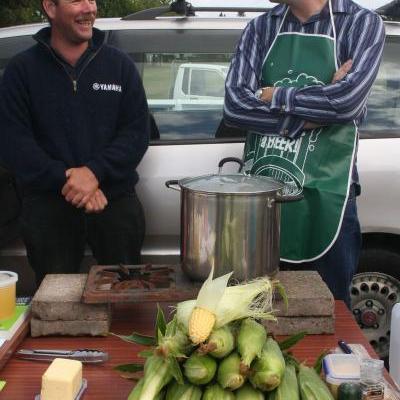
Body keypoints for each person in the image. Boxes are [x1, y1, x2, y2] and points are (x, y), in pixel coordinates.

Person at [224, 0, 385, 307]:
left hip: (329, 195)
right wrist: (320, 103)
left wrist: (271, 94)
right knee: (259, 315)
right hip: (263, 198)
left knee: (329, 313)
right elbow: (234, 107)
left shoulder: (362, 24)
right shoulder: (260, 28)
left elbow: (347, 102)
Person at [0, 0, 150, 286]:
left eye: (91, 0)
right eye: (76, 0)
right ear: (50, 7)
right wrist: (67, 179)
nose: (89, 8)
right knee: (57, 300)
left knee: (124, 295)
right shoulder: (21, 71)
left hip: (113, 198)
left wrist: (94, 173)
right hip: (48, 201)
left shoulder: (120, 66)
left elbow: (136, 133)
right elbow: (13, 143)